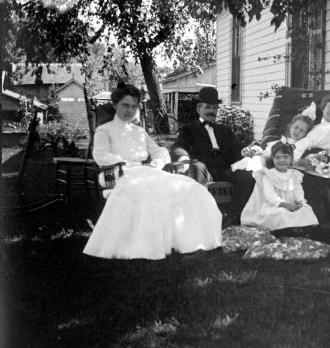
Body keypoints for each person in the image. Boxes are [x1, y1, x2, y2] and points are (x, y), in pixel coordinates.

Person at [83, 83, 222, 260]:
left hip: (147, 171)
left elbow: (160, 152)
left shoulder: (140, 132)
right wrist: (126, 164)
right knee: (145, 191)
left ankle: (191, 240)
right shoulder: (104, 130)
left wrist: (155, 165)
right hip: (120, 173)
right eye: (125, 105)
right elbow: (101, 155)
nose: (130, 110)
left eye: (134, 106)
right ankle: (145, 244)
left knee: (188, 185)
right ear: (115, 105)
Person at [171, 86, 250, 223]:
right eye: (208, 107)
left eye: (214, 108)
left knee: (248, 176)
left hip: (225, 170)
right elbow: (178, 146)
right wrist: (184, 157)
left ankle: (231, 217)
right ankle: (200, 218)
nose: (211, 111)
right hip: (204, 170)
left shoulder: (225, 130)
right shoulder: (189, 129)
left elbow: (237, 150)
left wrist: (245, 152)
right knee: (196, 168)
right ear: (198, 109)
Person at [293, 93, 330, 224]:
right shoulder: (315, 126)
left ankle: (314, 224)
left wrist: (315, 160)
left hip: (321, 165)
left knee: (309, 187)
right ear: (324, 108)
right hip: (300, 161)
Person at [241, 142, 318, 232]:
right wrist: (284, 204)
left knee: (306, 210)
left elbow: (298, 190)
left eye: (285, 157)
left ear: (291, 159)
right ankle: (284, 231)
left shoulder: (294, 175)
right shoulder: (269, 175)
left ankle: (298, 229)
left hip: (292, 204)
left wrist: (299, 201)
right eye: (277, 157)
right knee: (281, 213)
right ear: (273, 159)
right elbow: (270, 196)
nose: (281, 160)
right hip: (275, 205)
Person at [231, 114, 314, 172]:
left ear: (305, 134)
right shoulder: (281, 140)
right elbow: (267, 152)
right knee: (247, 162)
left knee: (252, 168)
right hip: (266, 162)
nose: (297, 131)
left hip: (275, 169)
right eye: (296, 127)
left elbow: (290, 160)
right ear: (291, 126)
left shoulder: (299, 146)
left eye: (302, 131)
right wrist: (256, 151)